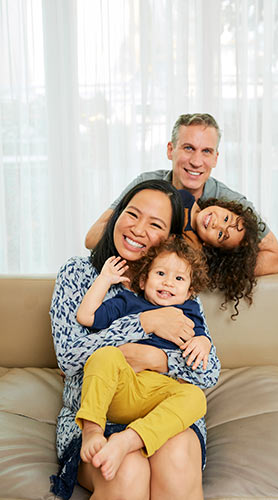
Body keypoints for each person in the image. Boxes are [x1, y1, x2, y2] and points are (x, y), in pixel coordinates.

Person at [50, 180, 221, 500]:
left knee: (177, 456)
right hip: (98, 416)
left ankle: (133, 439)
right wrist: (145, 322)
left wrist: (160, 359)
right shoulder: (78, 274)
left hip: (162, 411)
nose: (139, 229)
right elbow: (70, 358)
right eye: (132, 214)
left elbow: (209, 371)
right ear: (116, 215)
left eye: (155, 224)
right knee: (126, 472)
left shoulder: (178, 286)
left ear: (169, 239)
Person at [75, 236, 212, 482]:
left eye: (179, 278)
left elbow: (202, 340)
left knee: (195, 397)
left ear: (190, 291)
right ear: (143, 279)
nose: (168, 282)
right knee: (105, 356)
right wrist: (105, 279)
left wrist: (203, 342)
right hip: (123, 387)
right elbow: (86, 317)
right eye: (160, 273)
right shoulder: (128, 302)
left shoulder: (190, 311)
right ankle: (93, 429)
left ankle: (129, 440)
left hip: (158, 395)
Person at [85, 113, 278, 276]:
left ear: (216, 158)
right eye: (188, 148)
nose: (196, 161)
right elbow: (93, 237)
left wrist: (200, 268)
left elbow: (277, 259)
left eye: (206, 151)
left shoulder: (231, 205)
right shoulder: (147, 185)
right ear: (170, 150)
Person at [179, 188, 262, 317]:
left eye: (220, 234)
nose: (215, 224)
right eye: (226, 218)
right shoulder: (184, 198)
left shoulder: (190, 250)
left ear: (210, 246)